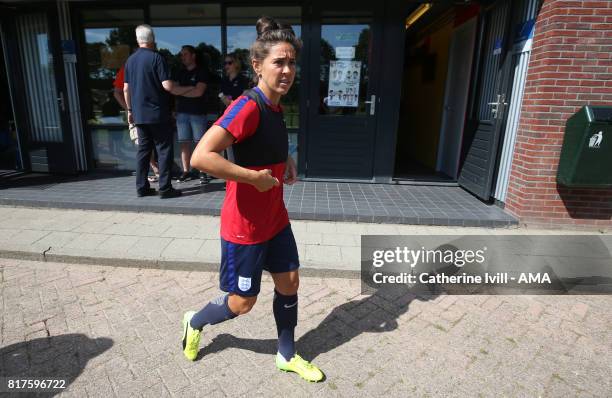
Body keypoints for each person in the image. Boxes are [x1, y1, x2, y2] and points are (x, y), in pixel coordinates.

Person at [182, 16, 324, 383]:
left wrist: (286, 159)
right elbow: (201, 156)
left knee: (289, 281)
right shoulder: (247, 106)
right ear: (258, 65)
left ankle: (286, 354)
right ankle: (195, 321)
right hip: (244, 227)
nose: (288, 70)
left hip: (275, 219)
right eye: (279, 62)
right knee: (242, 303)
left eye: (292, 62)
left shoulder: (275, 107)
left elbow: (267, 144)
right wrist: (251, 178)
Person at [124, 24, 181, 199]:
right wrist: (182, 88)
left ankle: (141, 187)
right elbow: (167, 85)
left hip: (139, 114)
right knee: (163, 150)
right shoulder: (157, 58)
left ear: (138, 39)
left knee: (143, 151)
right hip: (158, 114)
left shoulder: (130, 60)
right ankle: (165, 188)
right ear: (152, 39)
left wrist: (130, 110)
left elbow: (126, 89)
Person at [113, 65, 160, 182]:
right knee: (141, 143)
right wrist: (129, 110)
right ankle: (155, 170)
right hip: (137, 113)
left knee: (151, 142)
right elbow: (118, 92)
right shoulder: (126, 69)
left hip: (151, 111)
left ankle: (156, 170)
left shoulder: (152, 67)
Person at [173, 45, 209, 183]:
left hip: (197, 113)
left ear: (193, 55)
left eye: (185, 54)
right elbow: (172, 90)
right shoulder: (180, 72)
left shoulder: (202, 71)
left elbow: (199, 92)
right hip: (181, 113)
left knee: (201, 144)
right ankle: (186, 171)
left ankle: (203, 172)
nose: (182, 57)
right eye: (181, 55)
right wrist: (189, 88)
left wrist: (181, 90)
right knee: (184, 144)